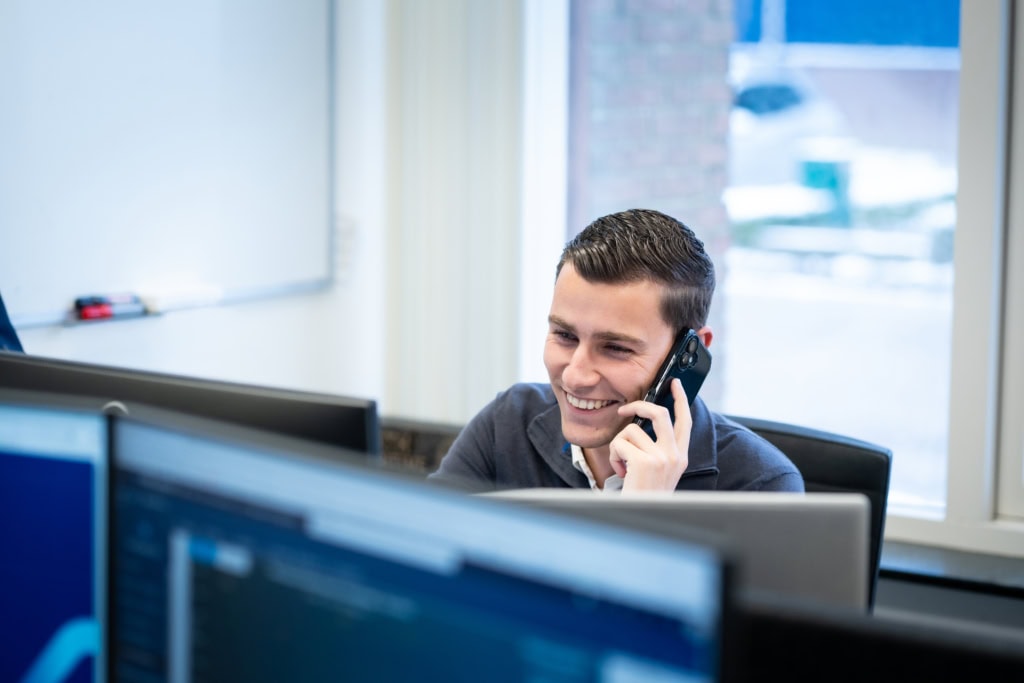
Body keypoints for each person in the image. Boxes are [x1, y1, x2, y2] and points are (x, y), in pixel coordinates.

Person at [429, 208, 803, 493]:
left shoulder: (761, 486)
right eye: (565, 335)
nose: (576, 375)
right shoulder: (507, 424)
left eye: (616, 348)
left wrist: (645, 514)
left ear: (691, 353)